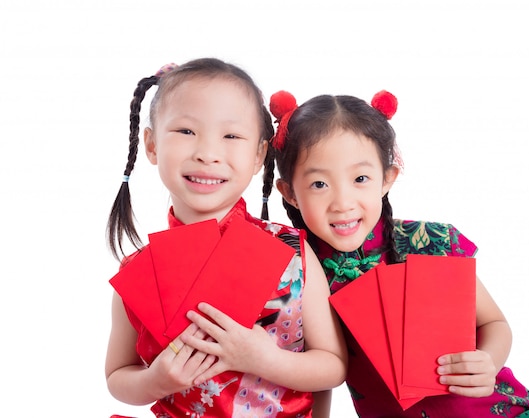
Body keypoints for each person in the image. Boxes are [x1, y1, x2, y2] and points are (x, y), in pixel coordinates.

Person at [263, 90, 529, 417]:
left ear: (387, 179)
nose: (342, 202)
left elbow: (494, 321)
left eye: (360, 178)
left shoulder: (427, 243)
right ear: (289, 193)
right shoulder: (300, 274)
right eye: (320, 184)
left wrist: (488, 360)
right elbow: (317, 375)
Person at [104, 58, 347, 418]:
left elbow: (334, 366)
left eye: (231, 136)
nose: (207, 153)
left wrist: (265, 359)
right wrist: (156, 380)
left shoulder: (292, 252)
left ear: (258, 155)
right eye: (186, 131)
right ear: (152, 145)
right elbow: (117, 375)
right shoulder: (140, 270)